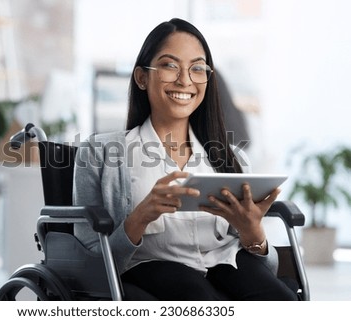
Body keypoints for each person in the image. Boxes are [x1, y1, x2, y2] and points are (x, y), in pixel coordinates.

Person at [73, 18, 297, 300]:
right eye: (169, 65)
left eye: (197, 68)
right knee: (200, 298)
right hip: (149, 269)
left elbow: (264, 264)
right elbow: (85, 265)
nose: (185, 80)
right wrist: (139, 218)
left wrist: (253, 234)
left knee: (285, 301)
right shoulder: (100, 153)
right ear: (142, 77)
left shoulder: (232, 158)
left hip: (227, 265)